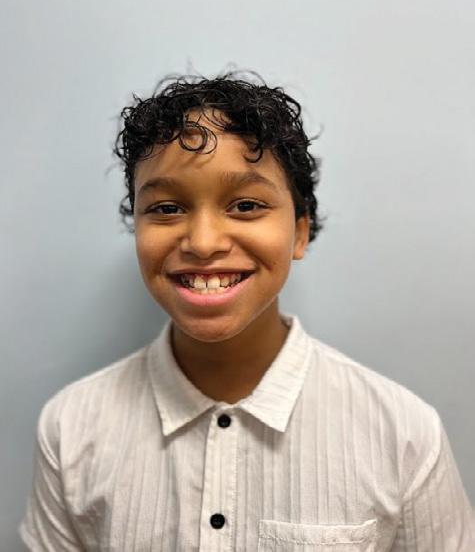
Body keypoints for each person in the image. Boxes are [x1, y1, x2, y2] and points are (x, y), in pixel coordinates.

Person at [19, 71, 474, 551]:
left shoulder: (403, 434)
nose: (203, 243)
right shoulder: (71, 428)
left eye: (246, 204)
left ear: (300, 232)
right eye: (167, 208)